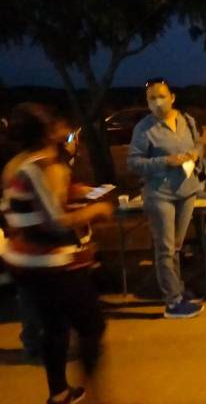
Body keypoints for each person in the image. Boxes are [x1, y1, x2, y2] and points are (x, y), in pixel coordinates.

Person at [1, 102, 113, 403]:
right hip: (52, 263)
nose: (65, 131)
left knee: (55, 328)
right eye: (59, 127)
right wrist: (96, 210)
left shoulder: (15, 165)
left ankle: (59, 393)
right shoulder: (43, 166)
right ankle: (96, 395)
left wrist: (72, 192)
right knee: (92, 325)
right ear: (46, 132)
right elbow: (56, 220)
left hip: (23, 262)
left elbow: (23, 208)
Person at [127, 78, 204, 318]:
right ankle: (173, 302)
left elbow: (199, 144)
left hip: (186, 190)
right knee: (166, 248)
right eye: (152, 98)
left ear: (172, 97)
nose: (158, 102)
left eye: (162, 96)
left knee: (177, 246)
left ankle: (178, 289)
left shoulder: (187, 120)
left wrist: (194, 153)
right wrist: (165, 161)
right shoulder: (144, 128)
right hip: (160, 194)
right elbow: (133, 162)